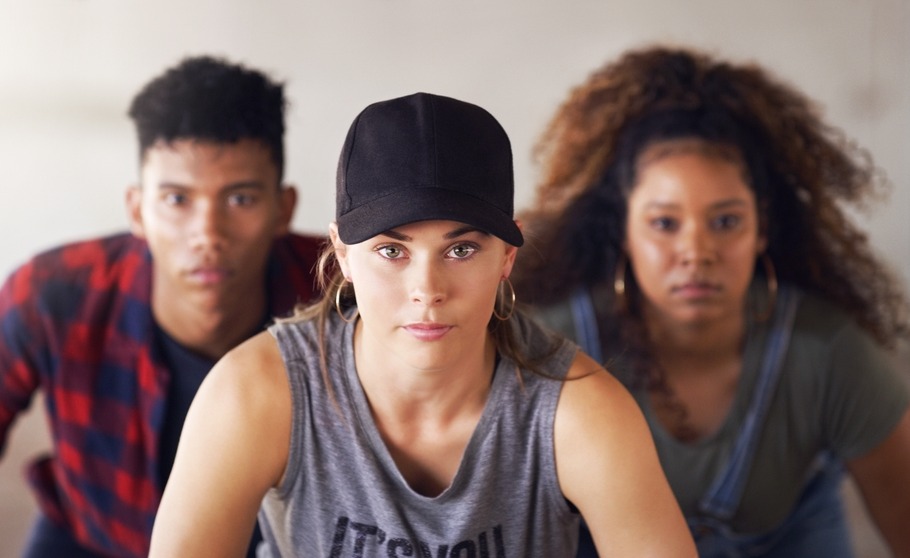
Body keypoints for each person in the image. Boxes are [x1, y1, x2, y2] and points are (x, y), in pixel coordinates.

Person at [148, 92, 696, 557]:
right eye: (391, 250)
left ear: (507, 256)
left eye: (461, 249)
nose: (427, 289)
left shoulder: (576, 411)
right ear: (342, 254)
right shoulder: (257, 394)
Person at [511, 45, 910, 557]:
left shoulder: (826, 351)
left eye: (726, 221)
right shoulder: (549, 351)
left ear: (761, 227)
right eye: (664, 224)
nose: (697, 253)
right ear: (624, 232)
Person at [0, 55, 325, 557]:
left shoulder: (338, 297)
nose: (207, 235)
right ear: (137, 208)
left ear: (283, 209)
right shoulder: (53, 293)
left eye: (240, 199)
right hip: (93, 534)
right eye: (177, 200)